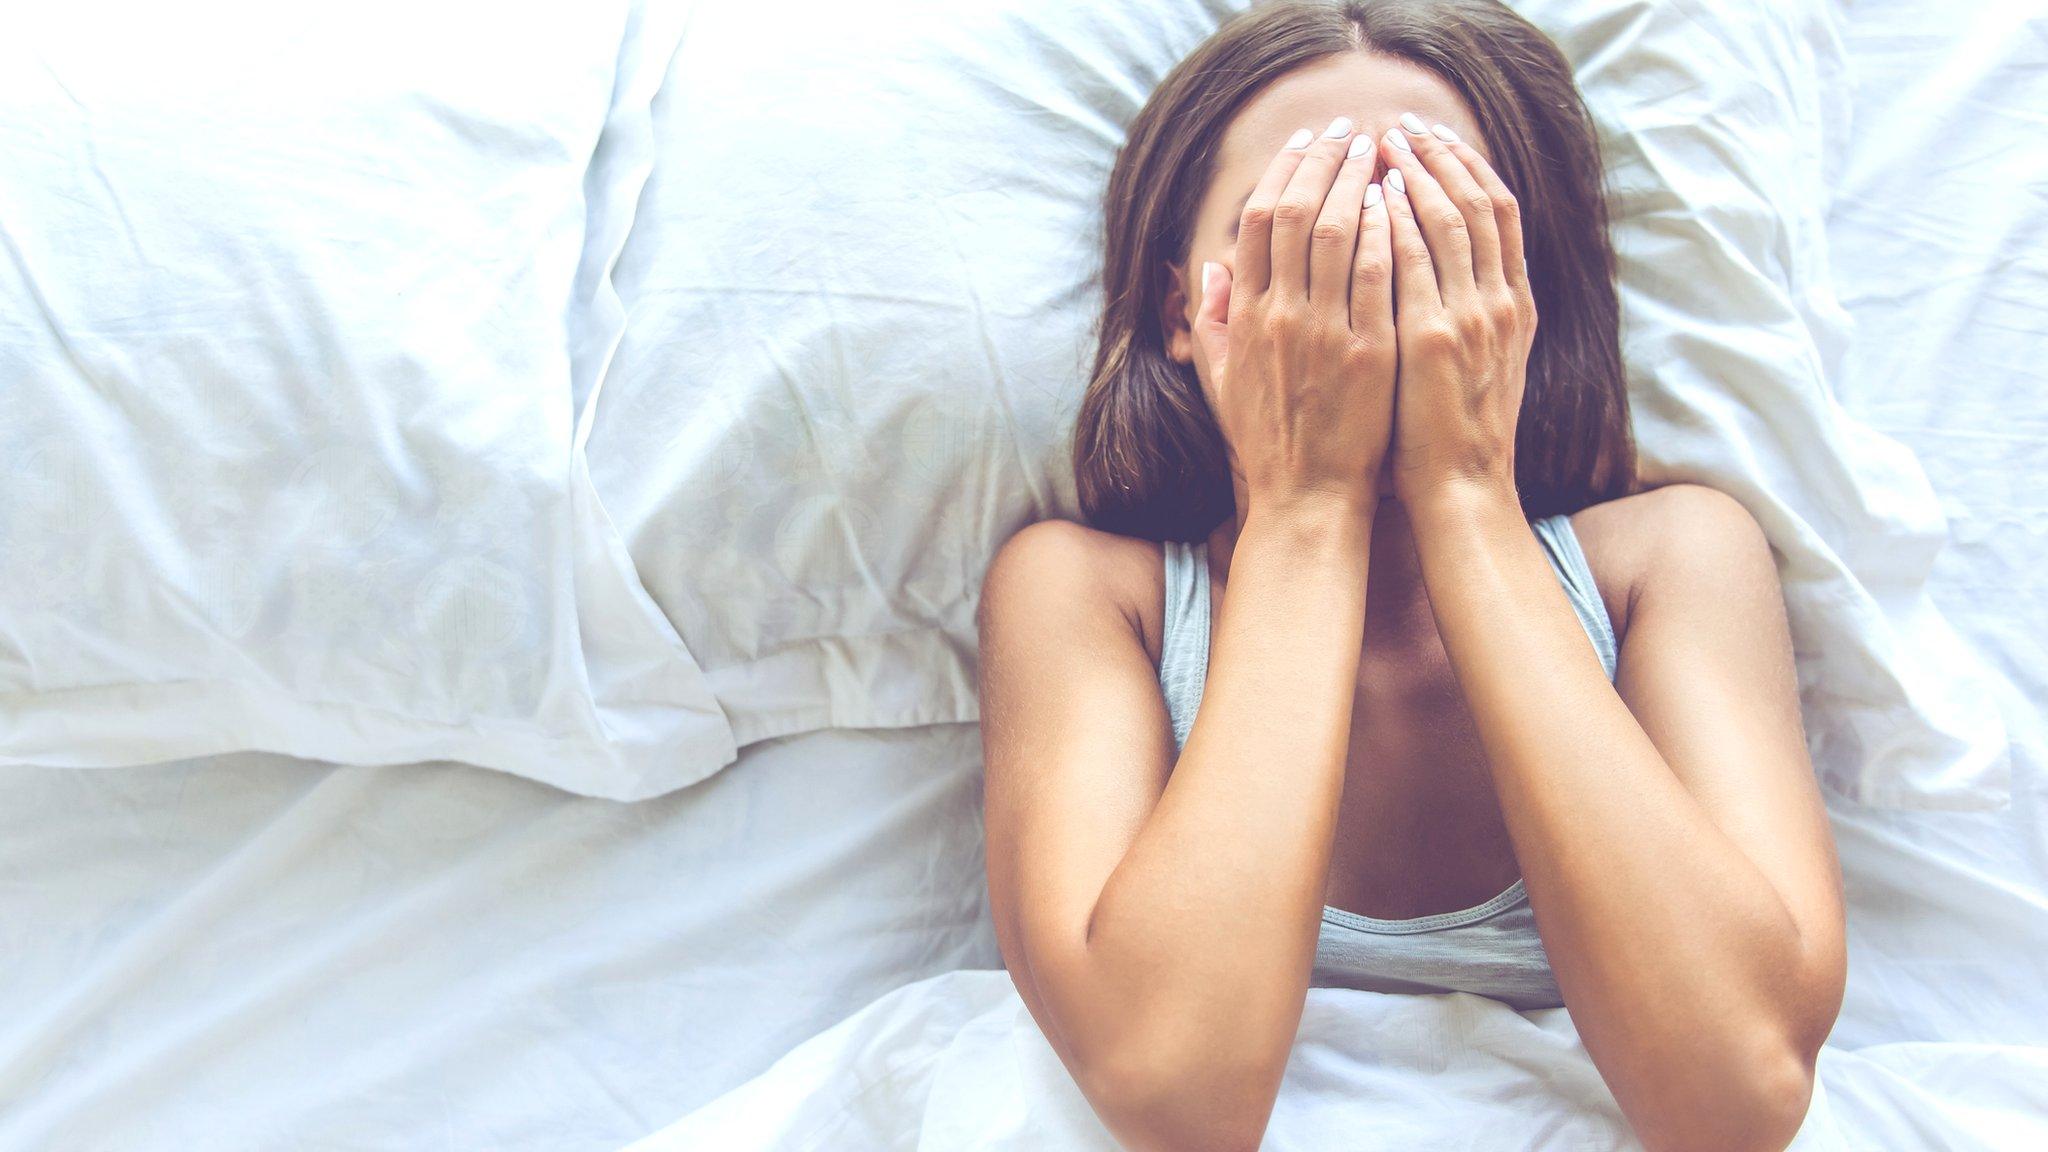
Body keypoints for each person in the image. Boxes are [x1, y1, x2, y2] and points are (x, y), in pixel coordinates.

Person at [973, 3, 1848, 1150]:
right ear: (1179, 308)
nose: (1364, 272)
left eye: (1432, 230)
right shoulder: (1088, 596)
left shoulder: (1670, 561)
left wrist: (1466, 497)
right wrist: (1302, 506)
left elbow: (1736, 1097)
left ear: (1524, 300)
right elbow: (1173, 1093)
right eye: (1290, 231)